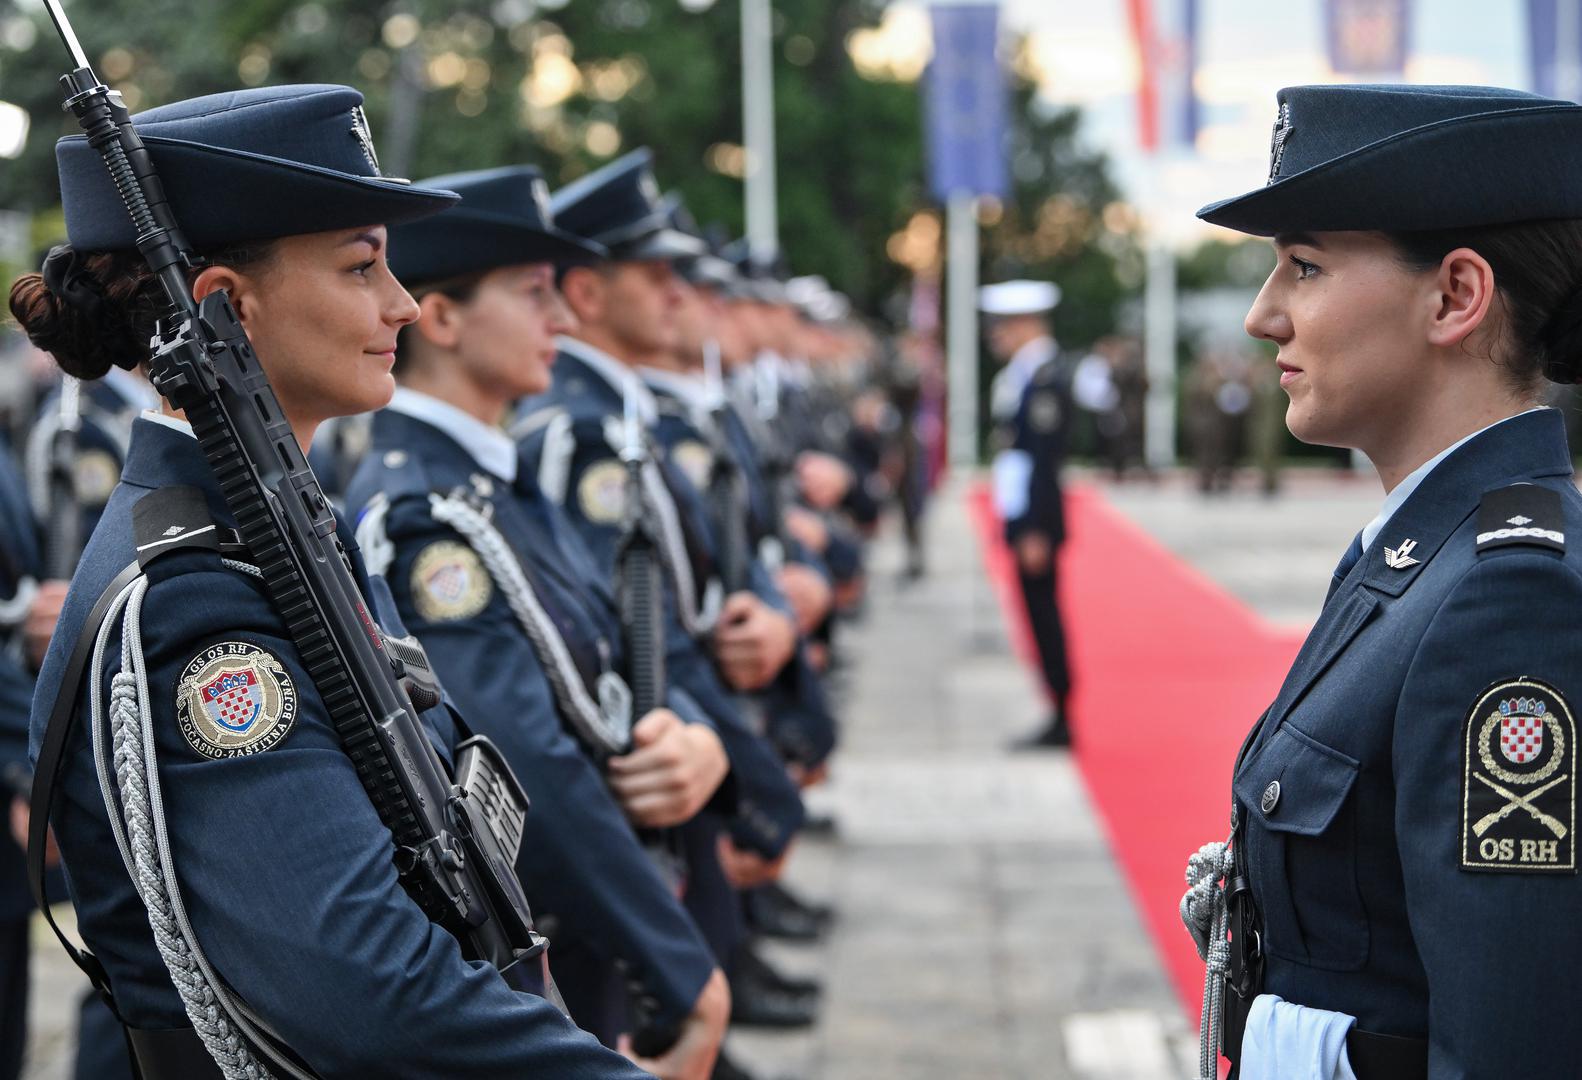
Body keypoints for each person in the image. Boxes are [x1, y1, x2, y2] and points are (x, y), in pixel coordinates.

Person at [12, 83, 646, 1077]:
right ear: (225, 305)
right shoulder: (196, 599)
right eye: (362, 265)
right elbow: (375, 997)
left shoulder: (280, 527)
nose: (401, 302)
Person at [1182, 84, 1582, 1079]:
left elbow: (1511, 1044)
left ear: (1453, 295)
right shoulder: (1409, 554)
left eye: (1304, 266)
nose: (1262, 314)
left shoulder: (1506, 600)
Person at [346, 164, 732, 1078]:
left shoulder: (492, 485)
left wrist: (696, 738)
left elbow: (614, 665)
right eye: (531, 293)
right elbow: (527, 767)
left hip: (589, 935)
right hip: (542, 949)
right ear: (441, 319)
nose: (562, 319)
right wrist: (677, 966)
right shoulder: (424, 516)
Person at [979, 279, 1074, 749]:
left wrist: (1032, 527)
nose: (994, 335)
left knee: (1043, 611)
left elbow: (1042, 459)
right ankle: (1055, 707)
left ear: (1023, 325)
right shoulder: (1023, 374)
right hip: (1022, 512)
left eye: (1001, 326)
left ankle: (1061, 712)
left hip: (1036, 516)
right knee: (1034, 610)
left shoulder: (1044, 378)